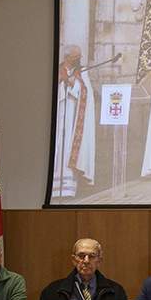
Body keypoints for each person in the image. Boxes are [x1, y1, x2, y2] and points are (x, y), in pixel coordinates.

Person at [34, 238, 129, 300]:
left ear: (99, 261)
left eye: (92, 256)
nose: (86, 261)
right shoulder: (53, 290)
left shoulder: (116, 291)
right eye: (81, 256)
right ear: (74, 260)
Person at [51, 45, 96, 198]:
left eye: (79, 57)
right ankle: (53, 186)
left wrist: (72, 83)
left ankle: (68, 188)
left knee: (68, 147)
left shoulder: (82, 71)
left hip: (73, 116)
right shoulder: (57, 70)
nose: (79, 59)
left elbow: (86, 92)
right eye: (76, 57)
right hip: (58, 112)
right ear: (67, 57)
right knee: (57, 146)